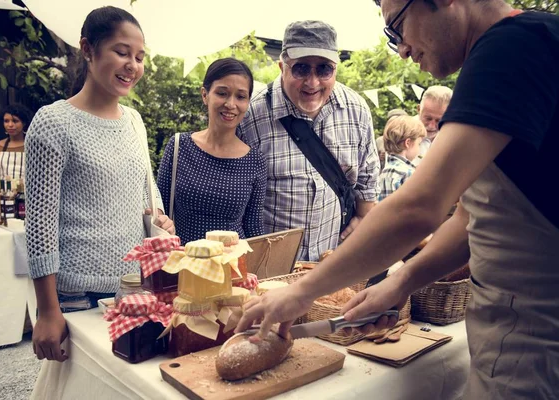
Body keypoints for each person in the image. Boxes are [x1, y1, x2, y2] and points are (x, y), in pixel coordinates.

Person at [236, 1, 559, 398]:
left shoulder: (510, 49)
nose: (402, 48)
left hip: (534, 333)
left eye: (397, 27)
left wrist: (302, 292)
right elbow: (472, 219)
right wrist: (402, 281)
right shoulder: (525, 43)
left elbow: (419, 207)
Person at [25, 6, 174, 362]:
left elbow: (146, 191)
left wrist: (160, 220)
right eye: (121, 52)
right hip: (77, 296)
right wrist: (47, 311)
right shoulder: (52, 122)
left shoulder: (135, 121)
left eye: (139, 57)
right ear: (88, 49)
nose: (133, 65)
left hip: (134, 290)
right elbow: (39, 226)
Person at [238, 20, 380, 261]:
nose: (312, 82)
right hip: (270, 271)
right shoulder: (250, 115)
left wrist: (361, 219)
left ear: (336, 69)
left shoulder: (356, 110)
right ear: (282, 66)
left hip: (332, 264)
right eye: (301, 68)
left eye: (324, 69)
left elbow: (367, 180)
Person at [156, 58, 267, 244]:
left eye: (240, 97)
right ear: (205, 95)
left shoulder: (255, 160)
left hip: (232, 267)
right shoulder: (178, 146)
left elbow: (254, 228)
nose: (231, 104)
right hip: (184, 263)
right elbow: (160, 212)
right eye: (222, 93)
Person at [0, 104, 32, 184]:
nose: (10, 125)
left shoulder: (33, 146)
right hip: (3, 195)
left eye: (15, 121)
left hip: (29, 196)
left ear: (24, 123)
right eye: (6, 121)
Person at [378, 115, 425, 201]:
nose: (419, 149)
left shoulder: (387, 170)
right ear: (408, 143)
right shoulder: (407, 173)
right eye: (418, 144)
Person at [414, 85, 452, 165]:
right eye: (428, 118)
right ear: (418, 109)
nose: (431, 126)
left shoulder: (455, 138)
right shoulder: (402, 134)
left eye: (439, 121)